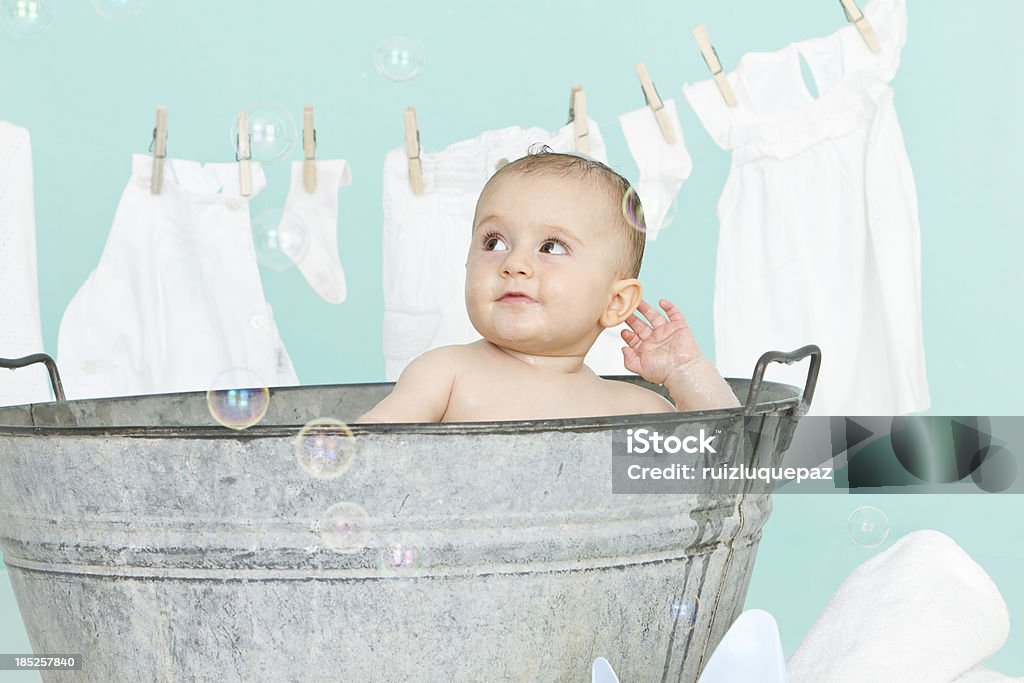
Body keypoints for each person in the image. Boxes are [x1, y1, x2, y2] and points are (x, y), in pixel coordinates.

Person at [356, 149, 739, 423]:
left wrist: (686, 371)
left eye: (551, 247)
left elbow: (733, 467)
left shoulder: (632, 409)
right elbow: (373, 460)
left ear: (616, 302)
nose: (514, 264)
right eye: (494, 242)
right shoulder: (446, 374)